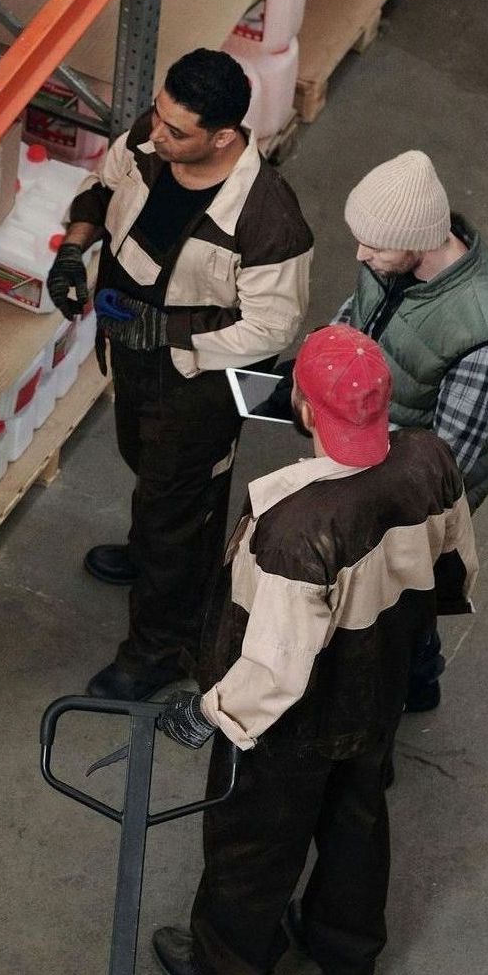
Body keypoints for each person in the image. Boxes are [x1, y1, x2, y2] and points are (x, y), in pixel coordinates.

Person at [151, 325, 478, 975]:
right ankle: (347, 956)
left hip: (294, 724)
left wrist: (211, 711)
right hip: (378, 688)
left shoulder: (293, 526)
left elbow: (275, 666)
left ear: (301, 405)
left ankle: (232, 968)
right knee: (356, 815)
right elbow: (455, 566)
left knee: (255, 841)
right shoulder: (430, 460)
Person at [47, 48, 313, 702]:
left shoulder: (266, 218)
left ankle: (161, 648)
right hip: (134, 355)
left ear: (222, 136)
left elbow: (273, 327)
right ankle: (155, 558)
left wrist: (168, 337)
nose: (155, 135)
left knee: (179, 505)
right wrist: (74, 251)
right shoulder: (151, 140)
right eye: (159, 119)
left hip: (199, 384)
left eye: (176, 130)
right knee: (144, 463)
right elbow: (102, 189)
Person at [339, 149, 488, 710]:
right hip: (372, 450)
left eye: (373, 245)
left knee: (402, 593)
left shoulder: (481, 334)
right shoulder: (391, 256)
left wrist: (357, 447)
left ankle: (413, 681)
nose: (360, 253)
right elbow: (362, 311)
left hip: (413, 492)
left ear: (421, 241)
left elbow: (443, 468)